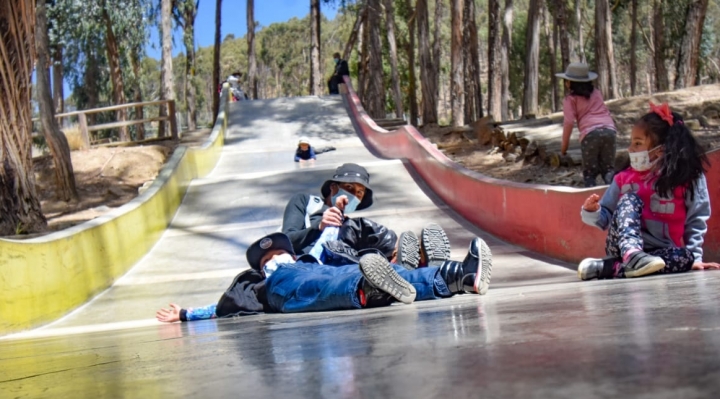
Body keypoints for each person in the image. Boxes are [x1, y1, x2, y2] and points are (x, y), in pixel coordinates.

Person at [156, 232, 493, 322]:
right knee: (322, 283)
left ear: (292, 252)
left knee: (351, 271)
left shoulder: (306, 259)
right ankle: (372, 286)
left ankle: (458, 277)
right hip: (286, 291)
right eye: (268, 258)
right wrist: (185, 314)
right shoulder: (266, 280)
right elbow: (221, 307)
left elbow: (327, 242)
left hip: (329, 274)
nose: (276, 258)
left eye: (280, 253)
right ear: (261, 267)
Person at [577, 102, 719, 281]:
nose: (630, 149)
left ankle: (610, 268)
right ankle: (632, 255)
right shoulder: (624, 178)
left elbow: (696, 220)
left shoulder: (689, 179)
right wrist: (592, 211)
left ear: (660, 150)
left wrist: (696, 258)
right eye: (631, 143)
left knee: (686, 258)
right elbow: (605, 217)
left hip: (661, 253)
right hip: (621, 248)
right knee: (629, 199)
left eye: (637, 143)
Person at [281, 163, 450, 269]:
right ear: (333, 187)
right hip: (310, 259)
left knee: (366, 251)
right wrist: (318, 227)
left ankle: (414, 263)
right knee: (358, 228)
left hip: (341, 263)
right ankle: (408, 253)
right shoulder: (306, 201)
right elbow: (287, 239)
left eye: (360, 192)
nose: (354, 195)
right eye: (349, 187)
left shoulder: (346, 221)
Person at [556, 62, 617, 187]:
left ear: (569, 83)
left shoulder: (570, 99)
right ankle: (613, 198)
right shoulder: (596, 93)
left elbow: (568, 122)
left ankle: (591, 201)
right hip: (610, 131)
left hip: (590, 134)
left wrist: (564, 147)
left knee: (590, 172)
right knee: (608, 169)